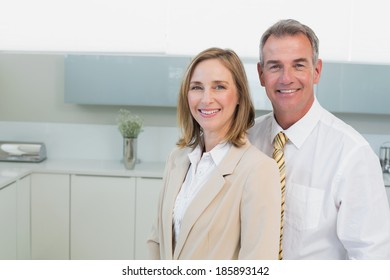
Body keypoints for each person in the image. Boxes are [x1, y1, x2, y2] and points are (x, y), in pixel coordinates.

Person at [248, 19, 390, 259]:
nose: (286, 78)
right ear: (261, 75)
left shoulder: (352, 154)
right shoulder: (247, 139)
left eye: (298, 65)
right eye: (275, 67)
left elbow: (372, 260)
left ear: (316, 71)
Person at [147, 47, 281, 259]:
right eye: (197, 87)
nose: (206, 99)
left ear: (239, 96)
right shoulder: (177, 158)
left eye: (219, 87)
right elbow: (157, 240)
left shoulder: (258, 170)